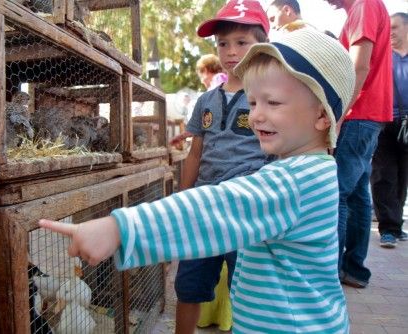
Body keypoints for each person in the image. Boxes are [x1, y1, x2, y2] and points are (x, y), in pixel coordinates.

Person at [39, 28, 355, 333]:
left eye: (273, 103)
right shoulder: (312, 169)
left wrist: (121, 228)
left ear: (322, 116)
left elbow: (217, 208)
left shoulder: (294, 180)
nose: (257, 115)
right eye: (254, 102)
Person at [168, 1, 270, 332]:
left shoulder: (269, 97)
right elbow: (195, 153)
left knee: (249, 291)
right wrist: (183, 198)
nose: (231, 51)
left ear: (263, 46)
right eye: (223, 43)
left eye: (242, 42)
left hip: (247, 211)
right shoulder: (205, 101)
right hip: (203, 210)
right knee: (189, 286)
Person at [323, 0, 393, 289]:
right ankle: (354, 270)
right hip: (369, 114)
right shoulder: (361, 8)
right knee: (357, 195)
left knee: (338, 192)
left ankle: (331, 271)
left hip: (359, 113)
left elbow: (359, 65)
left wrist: (339, 113)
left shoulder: (363, 4)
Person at [371, 12, 408, 248]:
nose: (390, 32)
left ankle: (396, 225)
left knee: (403, 175)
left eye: (395, 27)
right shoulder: (383, 56)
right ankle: (387, 228)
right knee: (383, 174)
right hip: (384, 121)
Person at [169, 54, 228, 148]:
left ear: (205, 70)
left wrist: (183, 135)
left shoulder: (219, 79)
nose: (202, 81)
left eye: (201, 76)